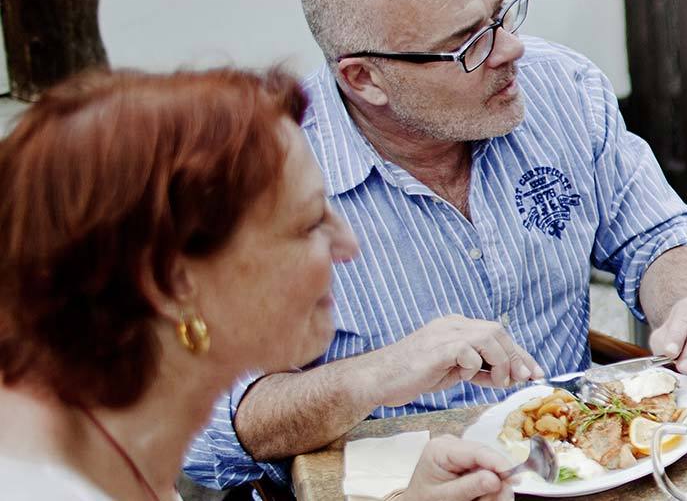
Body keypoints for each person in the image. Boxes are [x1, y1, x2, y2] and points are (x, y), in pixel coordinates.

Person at [183, 0, 687, 488]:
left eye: (501, 12)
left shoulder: (563, 87)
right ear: (363, 80)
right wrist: (380, 373)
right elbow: (202, 428)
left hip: (575, 470)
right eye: (468, 45)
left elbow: (660, 237)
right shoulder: (249, 180)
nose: (511, 50)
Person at [0, 68, 521, 500]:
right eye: (310, 223)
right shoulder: (40, 482)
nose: (349, 246)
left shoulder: (111, 441)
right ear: (172, 281)